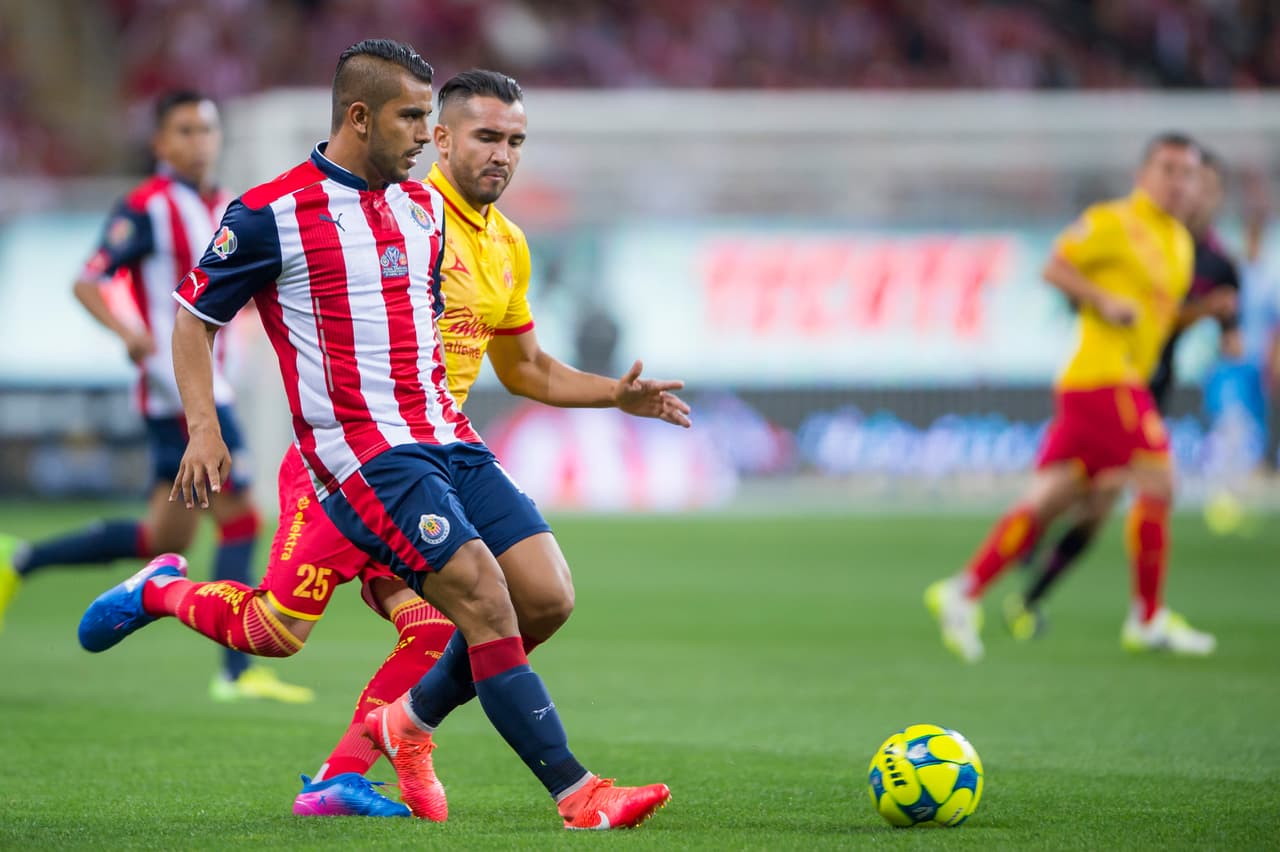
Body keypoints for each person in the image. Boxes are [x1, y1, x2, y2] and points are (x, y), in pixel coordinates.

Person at [79, 40, 674, 830]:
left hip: (447, 440)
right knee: (420, 611)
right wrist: (202, 428)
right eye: (414, 118)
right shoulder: (268, 215)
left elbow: (435, 343)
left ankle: (388, 733)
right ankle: (577, 794)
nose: (426, 136)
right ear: (359, 117)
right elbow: (194, 318)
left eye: (433, 119)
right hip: (361, 456)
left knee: (544, 596)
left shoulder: (422, 213)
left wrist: (606, 396)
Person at [0, 91, 309, 703]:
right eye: (186, 130)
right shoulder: (146, 206)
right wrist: (131, 334)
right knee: (242, 515)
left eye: (208, 129)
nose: (201, 141)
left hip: (212, 382)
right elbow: (87, 281)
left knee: (161, 540)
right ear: (161, 145)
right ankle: (236, 672)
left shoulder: (228, 206)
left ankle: (22, 559)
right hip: (179, 391)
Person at [925, 132, 1217, 662]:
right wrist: (1102, 299)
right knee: (1160, 481)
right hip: (1103, 379)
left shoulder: (1177, 240)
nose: (1178, 182)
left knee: (1051, 499)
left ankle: (963, 591)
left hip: (1107, 383)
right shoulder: (1113, 222)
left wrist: (1204, 313)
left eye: (1188, 173)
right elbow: (1054, 265)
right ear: (1143, 173)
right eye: (1168, 169)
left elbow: (1158, 319)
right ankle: (1147, 619)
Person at [1004, 149, 1241, 639]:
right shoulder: (1135, 234)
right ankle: (1137, 614)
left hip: (1151, 385)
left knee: (1097, 501)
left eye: (1200, 184)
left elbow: (1222, 336)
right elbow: (1073, 282)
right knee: (1082, 493)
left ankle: (1025, 593)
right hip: (1112, 383)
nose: (1190, 191)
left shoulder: (1215, 261)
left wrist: (1217, 318)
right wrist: (1103, 304)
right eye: (1182, 178)